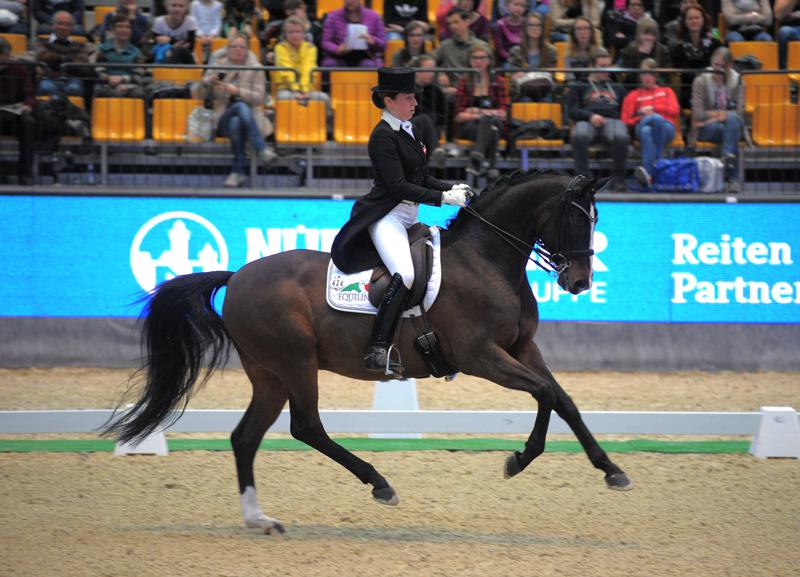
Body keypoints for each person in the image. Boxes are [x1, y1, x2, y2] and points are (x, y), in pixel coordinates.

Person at [330, 67, 471, 376]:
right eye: (408, 98)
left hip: (411, 216)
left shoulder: (410, 128)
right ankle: (377, 348)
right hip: (387, 216)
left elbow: (420, 177)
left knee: (441, 270)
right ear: (389, 101)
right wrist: (442, 199)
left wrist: (450, 187)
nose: (415, 104)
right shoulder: (382, 136)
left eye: (414, 98)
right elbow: (398, 187)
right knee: (405, 275)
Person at [192, 33, 277, 187]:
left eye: (242, 47)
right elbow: (197, 95)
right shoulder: (218, 67)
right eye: (234, 46)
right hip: (222, 117)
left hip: (250, 119)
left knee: (237, 121)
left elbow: (259, 98)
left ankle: (237, 172)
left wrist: (236, 91)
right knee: (239, 108)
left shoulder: (256, 68)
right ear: (227, 49)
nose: (238, 50)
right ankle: (262, 148)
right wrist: (206, 82)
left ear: (247, 50)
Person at [568, 48, 629, 190]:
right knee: (579, 135)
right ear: (591, 66)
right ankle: (583, 179)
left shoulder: (618, 88)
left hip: (612, 119)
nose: (606, 71)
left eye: (608, 67)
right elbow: (573, 111)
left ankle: (619, 179)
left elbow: (626, 111)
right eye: (602, 67)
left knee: (621, 135)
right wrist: (590, 116)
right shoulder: (579, 86)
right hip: (587, 118)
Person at [690, 47, 745, 193]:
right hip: (705, 128)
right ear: (711, 63)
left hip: (727, 126)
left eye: (722, 67)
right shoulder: (701, 80)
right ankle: (732, 178)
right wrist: (722, 115)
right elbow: (699, 114)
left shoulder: (737, 80)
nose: (718, 70)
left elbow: (740, 112)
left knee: (731, 124)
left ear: (730, 66)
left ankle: (727, 160)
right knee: (731, 130)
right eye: (716, 65)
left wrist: (724, 116)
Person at [621, 59, 679, 189]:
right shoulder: (633, 95)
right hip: (641, 125)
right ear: (640, 76)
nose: (647, 78)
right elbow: (626, 120)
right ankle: (656, 168)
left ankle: (648, 174)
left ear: (656, 75)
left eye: (650, 74)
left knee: (650, 128)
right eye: (643, 74)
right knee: (650, 124)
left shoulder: (667, 91)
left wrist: (653, 111)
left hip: (667, 128)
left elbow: (674, 111)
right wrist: (641, 115)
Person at [454, 44, 509, 177]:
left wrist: (475, 112)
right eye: (474, 58)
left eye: (482, 58)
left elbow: (504, 113)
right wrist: (483, 113)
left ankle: (477, 157)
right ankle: (491, 166)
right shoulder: (464, 82)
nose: (478, 61)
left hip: (494, 123)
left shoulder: (498, 81)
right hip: (470, 128)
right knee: (491, 129)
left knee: (490, 123)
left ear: (489, 60)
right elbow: (459, 116)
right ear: (470, 60)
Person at [669, 4, 720, 109]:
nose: (694, 21)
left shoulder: (716, 44)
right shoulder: (678, 49)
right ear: (685, 22)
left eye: (697, 18)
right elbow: (684, 72)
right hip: (690, 88)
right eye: (690, 18)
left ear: (703, 20)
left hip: (712, 85)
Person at [0, 37, 36, 185]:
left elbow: (29, 93)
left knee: (28, 123)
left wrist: (28, 105)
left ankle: (25, 175)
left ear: (8, 55)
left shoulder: (19, 70)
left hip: (13, 112)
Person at [273, 16, 329, 107]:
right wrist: (295, 90)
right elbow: (287, 71)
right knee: (284, 97)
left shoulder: (310, 48)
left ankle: (324, 121)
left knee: (324, 98)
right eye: (290, 32)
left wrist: (304, 90)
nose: (294, 35)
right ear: (285, 34)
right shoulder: (280, 48)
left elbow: (308, 69)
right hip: (287, 88)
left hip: (307, 89)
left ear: (304, 33)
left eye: (298, 32)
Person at [34, 11, 92, 98]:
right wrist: (69, 61)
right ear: (53, 25)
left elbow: (82, 66)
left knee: (74, 88)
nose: (63, 27)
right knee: (46, 87)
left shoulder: (80, 46)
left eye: (67, 25)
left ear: (72, 28)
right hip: (48, 78)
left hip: (71, 79)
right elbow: (44, 57)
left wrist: (56, 60)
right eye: (60, 23)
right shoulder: (41, 42)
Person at [433, 7, 490, 93]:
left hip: (475, 91)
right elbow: (428, 61)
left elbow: (490, 70)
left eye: (456, 22)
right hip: (452, 92)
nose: (453, 26)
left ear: (467, 21)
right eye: (450, 23)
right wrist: (440, 73)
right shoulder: (445, 46)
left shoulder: (482, 46)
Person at [320, 0, 386, 68]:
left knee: (369, 65)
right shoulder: (333, 16)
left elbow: (383, 44)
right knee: (330, 64)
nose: (349, 1)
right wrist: (337, 49)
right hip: (338, 57)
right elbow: (325, 42)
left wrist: (373, 41)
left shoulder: (374, 16)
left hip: (367, 56)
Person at [93, 13, 146, 98]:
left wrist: (123, 79)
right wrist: (109, 78)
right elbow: (98, 70)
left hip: (130, 86)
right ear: (113, 29)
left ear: (131, 30)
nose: (123, 30)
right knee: (112, 94)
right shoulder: (103, 49)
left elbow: (138, 75)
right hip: (106, 85)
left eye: (127, 27)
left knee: (139, 94)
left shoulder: (137, 52)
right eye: (120, 26)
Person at [508, 11, 558, 101]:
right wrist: (515, 76)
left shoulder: (551, 50)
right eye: (531, 25)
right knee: (526, 100)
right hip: (522, 91)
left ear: (542, 28)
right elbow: (512, 75)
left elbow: (553, 73)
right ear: (525, 28)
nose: (534, 28)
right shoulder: (516, 51)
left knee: (547, 101)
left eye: (538, 25)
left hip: (545, 90)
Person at [413, 54, 448, 167]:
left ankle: (422, 173)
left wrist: (433, 118)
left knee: (427, 122)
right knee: (424, 119)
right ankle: (437, 149)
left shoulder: (436, 90)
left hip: (432, 129)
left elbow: (443, 116)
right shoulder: (407, 90)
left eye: (433, 70)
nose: (432, 73)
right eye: (428, 70)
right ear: (417, 71)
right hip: (410, 127)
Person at [616, 17, 671, 86]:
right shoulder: (630, 50)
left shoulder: (663, 51)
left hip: (657, 88)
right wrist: (641, 55)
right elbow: (627, 76)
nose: (648, 38)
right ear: (639, 34)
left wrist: (654, 84)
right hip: (635, 88)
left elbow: (666, 76)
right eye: (645, 34)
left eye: (652, 35)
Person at [775, 0, 800, 69]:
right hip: (793, 29)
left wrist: (794, 15)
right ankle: (783, 71)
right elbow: (779, 15)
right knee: (784, 32)